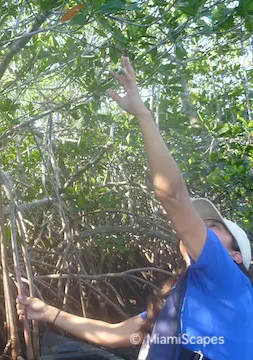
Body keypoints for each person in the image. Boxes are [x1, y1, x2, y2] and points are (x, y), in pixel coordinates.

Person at [16, 56, 253, 360]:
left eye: (215, 226)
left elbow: (174, 197)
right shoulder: (179, 298)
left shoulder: (228, 280)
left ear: (235, 256)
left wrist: (143, 114)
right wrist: (47, 312)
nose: (203, 226)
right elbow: (116, 335)